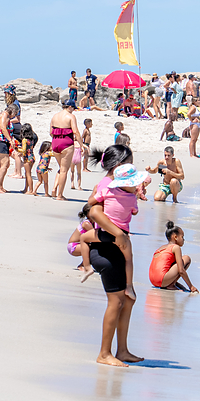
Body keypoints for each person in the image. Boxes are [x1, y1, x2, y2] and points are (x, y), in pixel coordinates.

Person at [83, 145, 143, 367]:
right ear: (118, 165)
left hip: (114, 246)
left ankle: (123, 350)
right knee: (116, 301)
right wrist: (119, 234)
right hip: (106, 248)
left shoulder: (121, 187)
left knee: (127, 300)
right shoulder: (108, 185)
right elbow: (93, 211)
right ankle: (104, 353)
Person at [148, 220, 199, 292]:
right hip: (161, 279)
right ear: (175, 237)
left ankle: (170, 283)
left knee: (174, 263)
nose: (183, 239)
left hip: (152, 280)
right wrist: (191, 286)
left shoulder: (162, 247)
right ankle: (170, 285)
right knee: (186, 258)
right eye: (182, 237)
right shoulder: (175, 247)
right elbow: (181, 271)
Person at [49, 99, 80, 200]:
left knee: (61, 168)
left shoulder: (55, 116)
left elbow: (51, 132)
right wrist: (81, 144)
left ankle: (54, 188)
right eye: (73, 108)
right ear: (70, 107)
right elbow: (75, 131)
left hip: (55, 143)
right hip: (66, 143)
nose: (73, 110)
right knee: (64, 170)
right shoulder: (71, 116)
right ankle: (59, 195)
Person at [0, 103, 16, 193]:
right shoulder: (4, 115)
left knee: (5, 164)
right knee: (4, 164)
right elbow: (3, 127)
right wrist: (10, 140)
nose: (14, 116)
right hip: (1, 141)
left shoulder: (2, 114)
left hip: (1, 141)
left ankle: (0, 185)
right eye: (15, 113)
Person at [18, 123, 37, 194]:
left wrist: (17, 149)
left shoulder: (24, 140)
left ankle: (31, 190)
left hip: (27, 158)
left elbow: (24, 150)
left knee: (28, 174)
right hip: (32, 156)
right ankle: (26, 189)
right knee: (27, 173)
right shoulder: (31, 139)